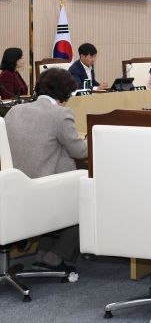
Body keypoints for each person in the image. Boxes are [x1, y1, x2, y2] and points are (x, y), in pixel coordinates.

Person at [4, 68, 86, 272]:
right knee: (86, 200)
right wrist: (91, 138)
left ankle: (43, 254)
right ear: (65, 94)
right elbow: (79, 151)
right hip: (46, 194)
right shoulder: (61, 114)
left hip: (15, 193)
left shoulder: (14, 111)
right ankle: (56, 257)